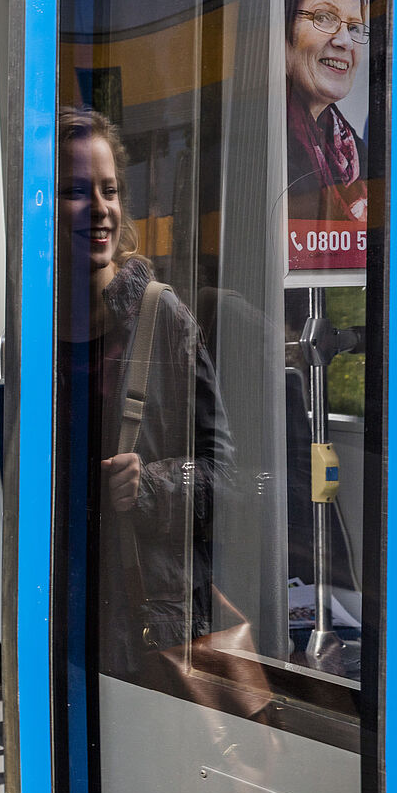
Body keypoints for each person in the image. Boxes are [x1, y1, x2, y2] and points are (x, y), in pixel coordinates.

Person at [54, 107, 234, 674]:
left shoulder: (164, 318)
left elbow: (227, 479)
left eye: (110, 190)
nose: (101, 208)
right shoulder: (33, 335)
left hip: (149, 624)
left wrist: (151, 487)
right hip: (60, 612)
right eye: (77, 192)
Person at [284, 0, 370, 222]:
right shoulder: (261, 139)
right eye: (323, 17)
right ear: (283, 29)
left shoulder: (356, 151)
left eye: (354, 27)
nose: (344, 41)